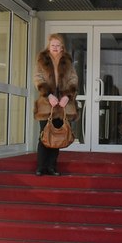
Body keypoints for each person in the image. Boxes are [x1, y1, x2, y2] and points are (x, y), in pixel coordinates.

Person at [33, 33, 78, 176]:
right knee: (44, 135)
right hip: (46, 104)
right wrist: (48, 95)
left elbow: (73, 79)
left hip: (62, 105)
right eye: (53, 45)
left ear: (62, 47)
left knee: (57, 137)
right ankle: (41, 167)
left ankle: (52, 167)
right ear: (49, 46)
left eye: (58, 45)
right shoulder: (42, 59)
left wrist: (67, 96)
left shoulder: (67, 61)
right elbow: (38, 78)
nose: (55, 48)